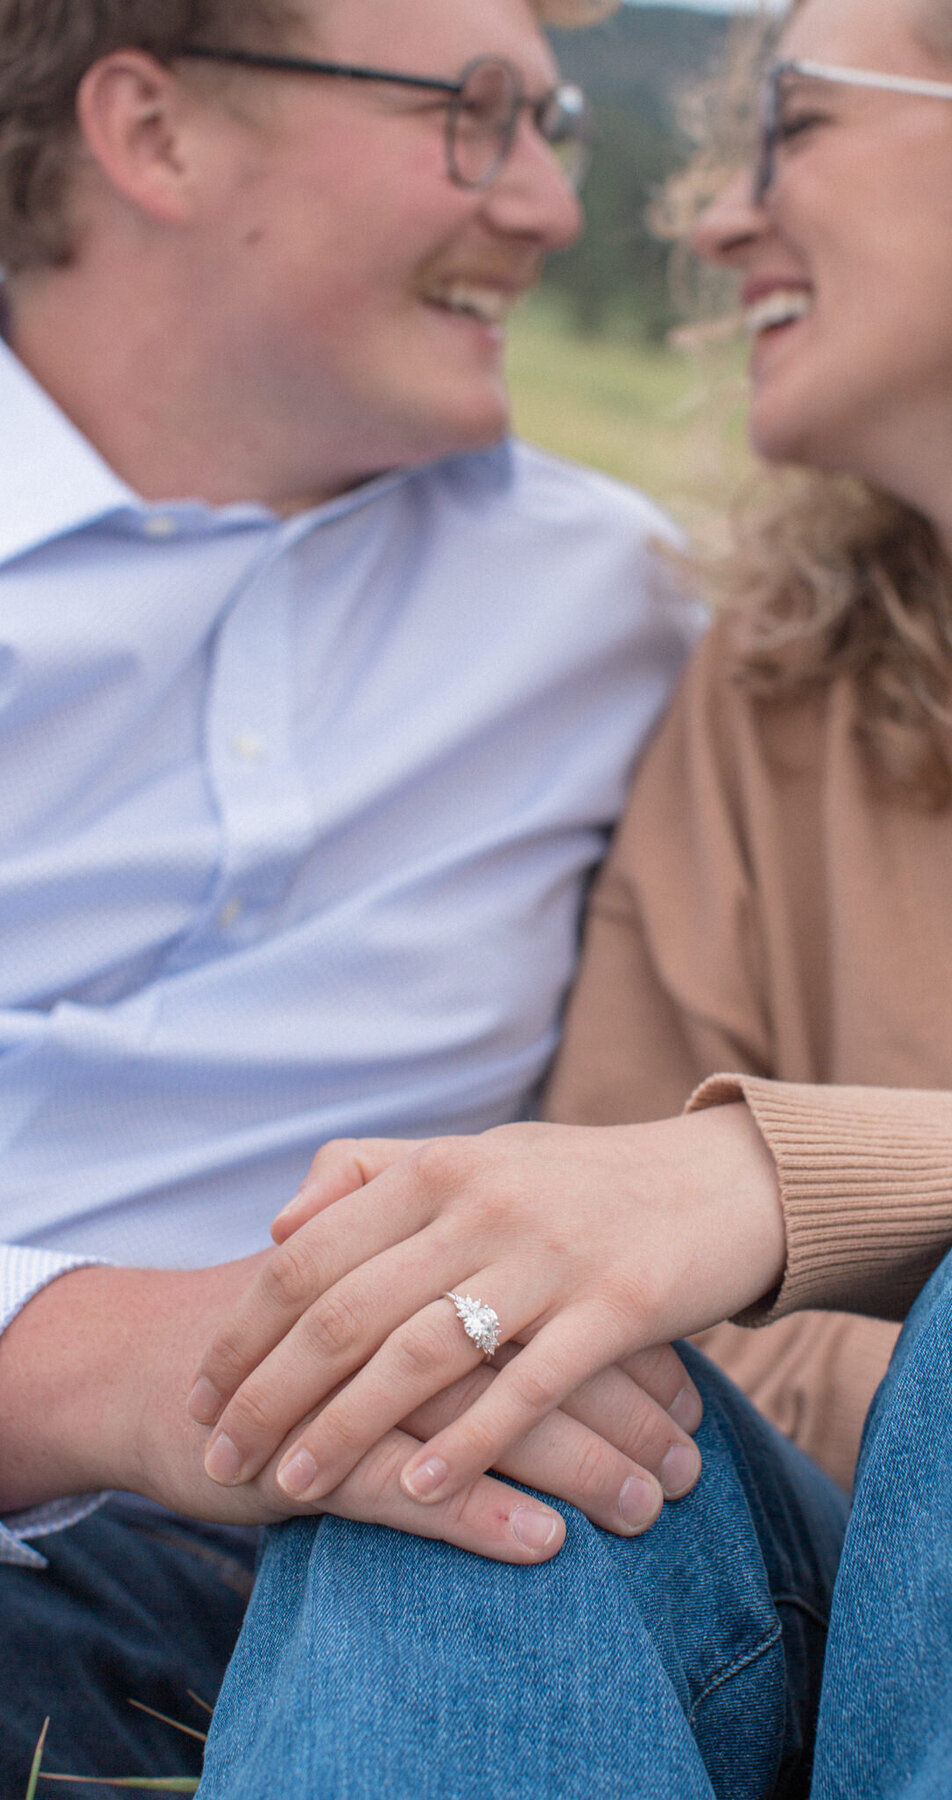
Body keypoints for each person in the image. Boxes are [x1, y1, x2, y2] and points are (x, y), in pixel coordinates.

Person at [186, 0, 952, 1792]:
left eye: (796, 126)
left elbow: (752, 1266)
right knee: (479, 1405)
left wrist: (771, 1185)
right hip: (817, 1576)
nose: (719, 218)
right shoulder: (769, 691)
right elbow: (621, 1299)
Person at [0, 0, 715, 1787]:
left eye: (549, 117)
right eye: (473, 113)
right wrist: (104, 1370)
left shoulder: (623, 611)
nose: (551, 205)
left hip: (382, 1580)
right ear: (153, 134)